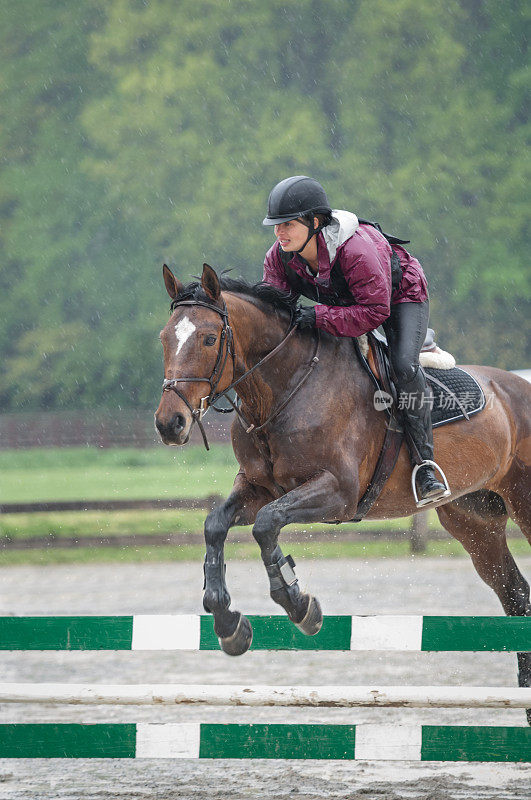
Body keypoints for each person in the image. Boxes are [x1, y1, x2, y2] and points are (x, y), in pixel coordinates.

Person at [262, 175, 450, 507]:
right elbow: (278, 313)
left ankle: (426, 465)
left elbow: (375, 310)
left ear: (315, 222)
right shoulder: (278, 258)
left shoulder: (355, 251)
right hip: (348, 303)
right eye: (276, 226)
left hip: (397, 298)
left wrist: (319, 317)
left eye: (287, 224)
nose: (279, 233)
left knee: (404, 365)